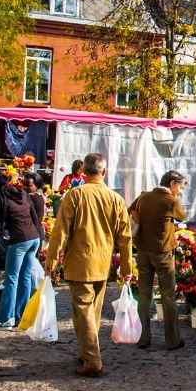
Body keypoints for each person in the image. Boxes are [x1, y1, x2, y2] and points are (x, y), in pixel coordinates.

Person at [43, 153, 133, 377]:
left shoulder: (75, 195)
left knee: (84, 312)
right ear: (103, 171)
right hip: (102, 263)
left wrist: (51, 260)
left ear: (84, 172)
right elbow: (125, 236)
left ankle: (92, 359)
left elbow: (60, 231)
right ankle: (87, 353)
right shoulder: (115, 199)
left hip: (80, 262)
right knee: (92, 312)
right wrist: (126, 267)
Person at [0, 171, 44, 330]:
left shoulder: (0, 198)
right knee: (25, 277)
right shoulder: (21, 193)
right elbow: (34, 217)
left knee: (12, 278)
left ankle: (5, 319)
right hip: (33, 237)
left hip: (18, 239)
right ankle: (22, 317)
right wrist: (35, 236)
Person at [130, 170, 186, 351]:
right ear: (172, 183)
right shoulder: (170, 200)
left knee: (144, 294)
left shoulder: (144, 197)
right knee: (168, 295)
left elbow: (131, 210)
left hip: (143, 250)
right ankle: (172, 340)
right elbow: (182, 216)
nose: (181, 190)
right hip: (162, 252)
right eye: (180, 186)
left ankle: (143, 337)